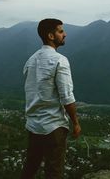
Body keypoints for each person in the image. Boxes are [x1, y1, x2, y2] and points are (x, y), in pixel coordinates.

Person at [20, 18, 81, 179]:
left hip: (33, 126)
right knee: (54, 172)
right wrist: (75, 122)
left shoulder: (31, 61)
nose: (65, 34)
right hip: (54, 126)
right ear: (51, 36)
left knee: (30, 168)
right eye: (61, 31)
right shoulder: (60, 60)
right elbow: (67, 97)